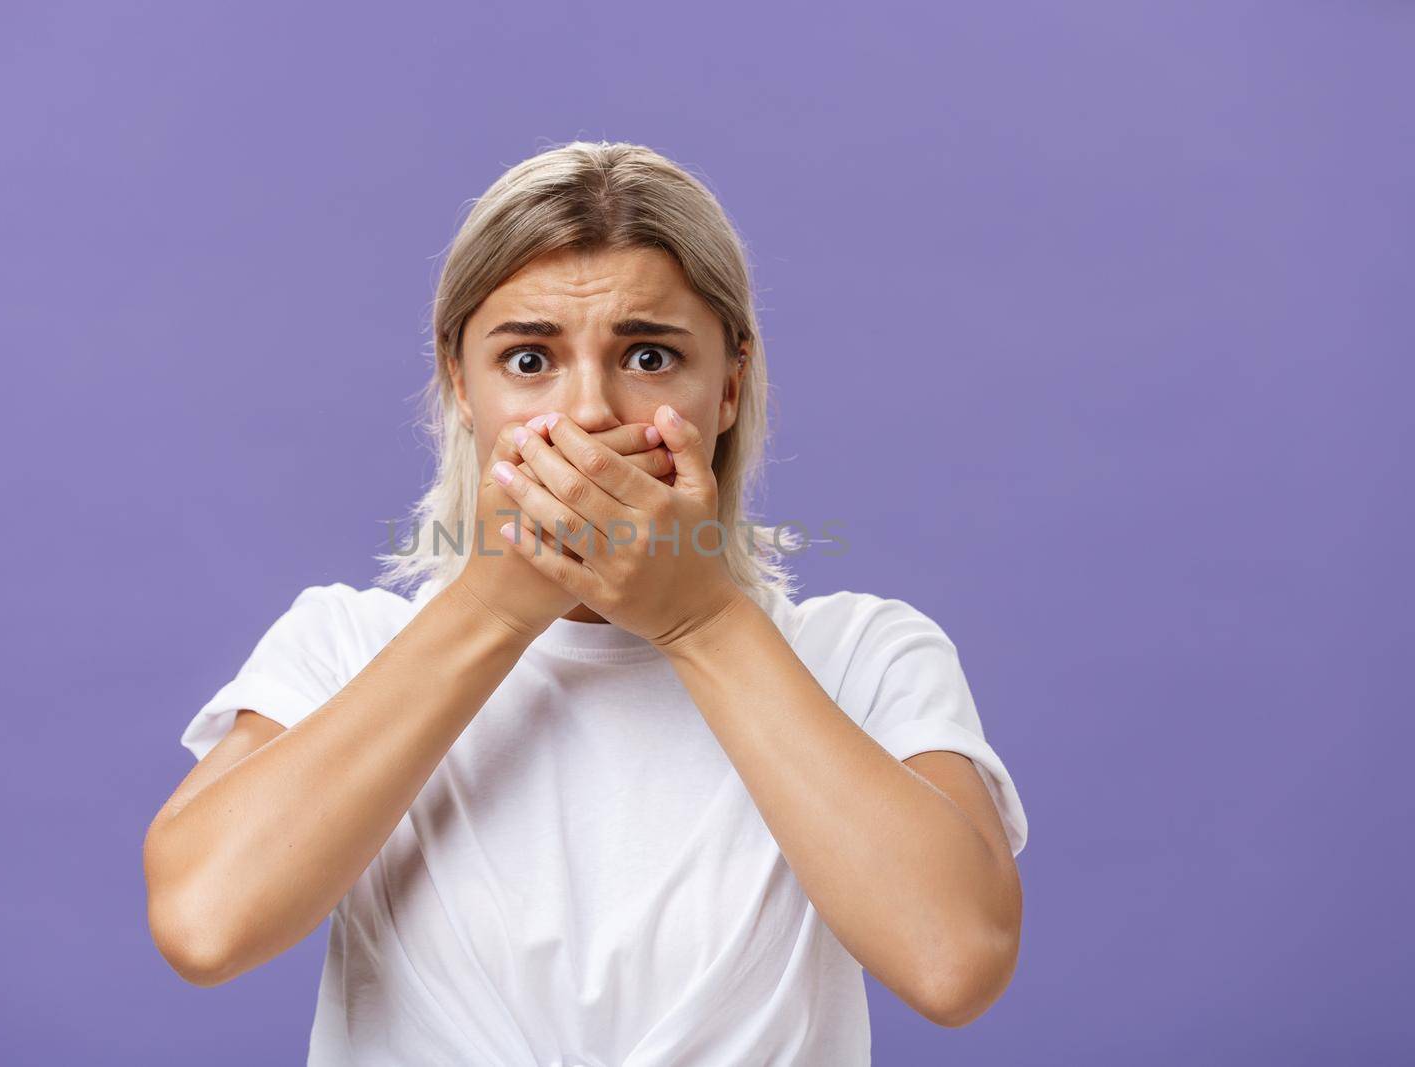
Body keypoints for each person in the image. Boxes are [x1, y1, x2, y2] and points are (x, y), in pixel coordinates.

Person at [143, 140, 1028, 1065]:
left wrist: (702, 620)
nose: (590, 412)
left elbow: (955, 962)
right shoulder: (342, 646)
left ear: (727, 384)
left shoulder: (866, 655)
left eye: (648, 354)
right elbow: (205, 925)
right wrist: (490, 608)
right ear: (461, 385)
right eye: (530, 359)